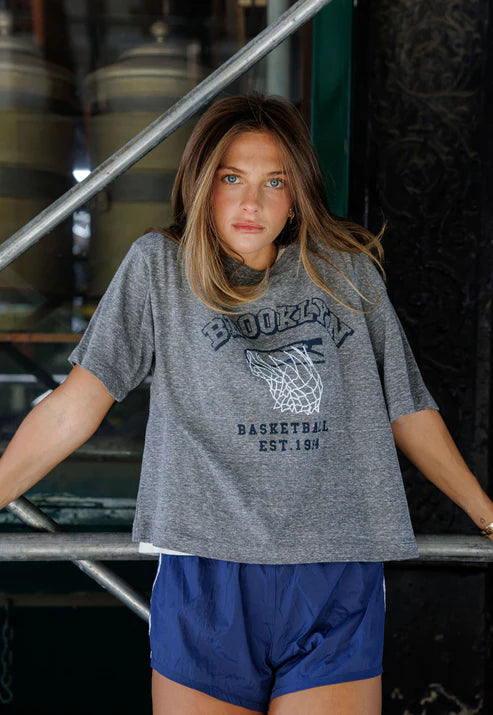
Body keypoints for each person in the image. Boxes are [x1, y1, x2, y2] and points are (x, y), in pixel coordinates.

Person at [1, 93, 492, 715]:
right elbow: (77, 405)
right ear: (202, 185)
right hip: (206, 569)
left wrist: (487, 516)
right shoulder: (159, 269)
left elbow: (407, 408)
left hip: (334, 568)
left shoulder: (346, 274)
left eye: (274, 182)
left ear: (297, 197)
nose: (251, 202)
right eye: (231, 178)